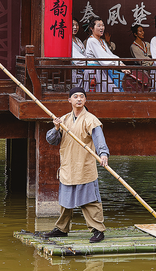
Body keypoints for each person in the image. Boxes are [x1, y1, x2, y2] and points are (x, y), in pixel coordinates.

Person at [40, 87, 110, 244]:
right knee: (65, 202)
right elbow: (52, 140)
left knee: (90, 201)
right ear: (69, 100)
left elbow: (99, 139)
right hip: (68, 166)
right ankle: (62, 229)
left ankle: (98, 230)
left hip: (84, 166)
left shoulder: (91, 120)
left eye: (82, 96)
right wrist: (56, 128)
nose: (79, 99)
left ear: (85, 100)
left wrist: (103, 154)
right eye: (75, 96)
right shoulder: (64, 120)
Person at [84, 16, 129, 92]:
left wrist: (120, 63)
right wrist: (119, 65)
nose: (102, 28)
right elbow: (103, 59)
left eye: (103, 25)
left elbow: (110, 55)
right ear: (92, 28)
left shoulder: (102, 41)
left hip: (102, 70)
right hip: (94, 72)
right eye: (99, 26)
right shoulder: (92, 41)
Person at [72, 18, 87, 87]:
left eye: (77, 25)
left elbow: (85, 54)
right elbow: (77, 59)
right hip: (74, 71)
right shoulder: (67, 40)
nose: (75, 27)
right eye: (72, 25)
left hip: (83, 69)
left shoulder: (78, 40)